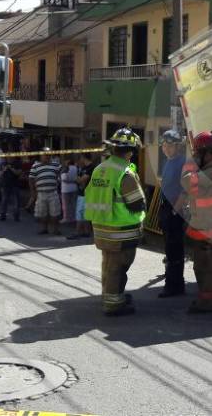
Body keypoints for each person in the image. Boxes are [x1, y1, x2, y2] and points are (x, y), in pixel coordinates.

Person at [85, 129, 147, 316]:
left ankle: (109, 296)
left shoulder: (100, 169)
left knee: (108, 264)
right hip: (122, 231)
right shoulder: (124, 174)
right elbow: (137, 204)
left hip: (101, 228)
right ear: (129, 151)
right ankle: (114, 304)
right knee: (118, 267)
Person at [181, 131, 212, 314]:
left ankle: (209, 303)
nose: (195, 158)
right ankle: (205, 299)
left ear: (207, 153)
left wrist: (189, 163)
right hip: (206, 229)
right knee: (201, 266)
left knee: (208, 268)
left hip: (209, 231)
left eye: (198, 154)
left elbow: (186, 182)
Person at [157, 129, 187, 298]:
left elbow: (185, 190)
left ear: (177, 147)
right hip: (166, 208)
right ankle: (175, 284)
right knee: (169, 249)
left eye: (170, 146)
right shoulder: (168, 161)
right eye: (164, 145)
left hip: (175, 210)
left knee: (174, 250)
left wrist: (175, 210)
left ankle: (174, 286)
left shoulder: (182, 162)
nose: (166, 148)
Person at [30, 149, 62, 235]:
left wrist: (66, 166)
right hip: (41, 193)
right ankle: (44, 228)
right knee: (42, 213)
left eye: (48, 155)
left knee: (55, 212)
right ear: (41, 156)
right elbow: (31, 179)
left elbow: (63, 171)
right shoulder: (35, 166)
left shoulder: (56, 165)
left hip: (53, 192)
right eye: (45, 155)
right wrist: (33, 192)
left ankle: (55, 229)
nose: (47, 156)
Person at [68, 153, 96, 240]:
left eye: (80, 158)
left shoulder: (91, 168)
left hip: (87, 194)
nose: (79, 160)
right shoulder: (83, 168)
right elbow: (79, 180)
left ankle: (77, 232)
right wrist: (79, 179)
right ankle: (86, 231)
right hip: (81, 193)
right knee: (84, 213)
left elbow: (81, 179)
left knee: (80, 212)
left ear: (84, 158)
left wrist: (79, 180)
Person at [0, 157, 23, 222]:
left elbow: (18, 173)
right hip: (5, 186)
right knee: (4, 201)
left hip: (15, 185)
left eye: (11, 157)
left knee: (16, 202)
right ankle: (2, 215)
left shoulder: (17, 164)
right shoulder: (3, 164)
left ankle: (16, 216)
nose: (10, 158)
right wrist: (4, 169)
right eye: (8, 157)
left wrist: (11, 168)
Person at [60, 158, 79, 225]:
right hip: (74, 188)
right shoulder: (76, 168)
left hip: (65, 189)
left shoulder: (65, 168)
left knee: (66, 205)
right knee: (74, 204)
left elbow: (64, 179)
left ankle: (66, 218)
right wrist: (74, 181)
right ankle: (74, 217)